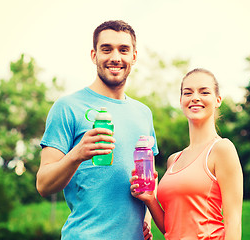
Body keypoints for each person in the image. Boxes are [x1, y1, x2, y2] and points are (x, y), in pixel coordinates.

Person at [36, 20, 158, 240]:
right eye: (106, 49)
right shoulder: (67, 107)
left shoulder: (144, 113)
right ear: (94, 55)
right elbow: (43, 184)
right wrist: (77, 154)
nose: (115, 57)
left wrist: (146, 220)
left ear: (134, 56)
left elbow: (148, 177)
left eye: (123, 50)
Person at [130, 68, 243, 239]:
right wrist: (150, 199)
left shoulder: (222, 149)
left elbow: (233, 223)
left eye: (204, 92)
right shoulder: (173, 160)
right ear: (181, 100)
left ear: (217, 100)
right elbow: (171, 228)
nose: (195, 97)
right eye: (188, 93)